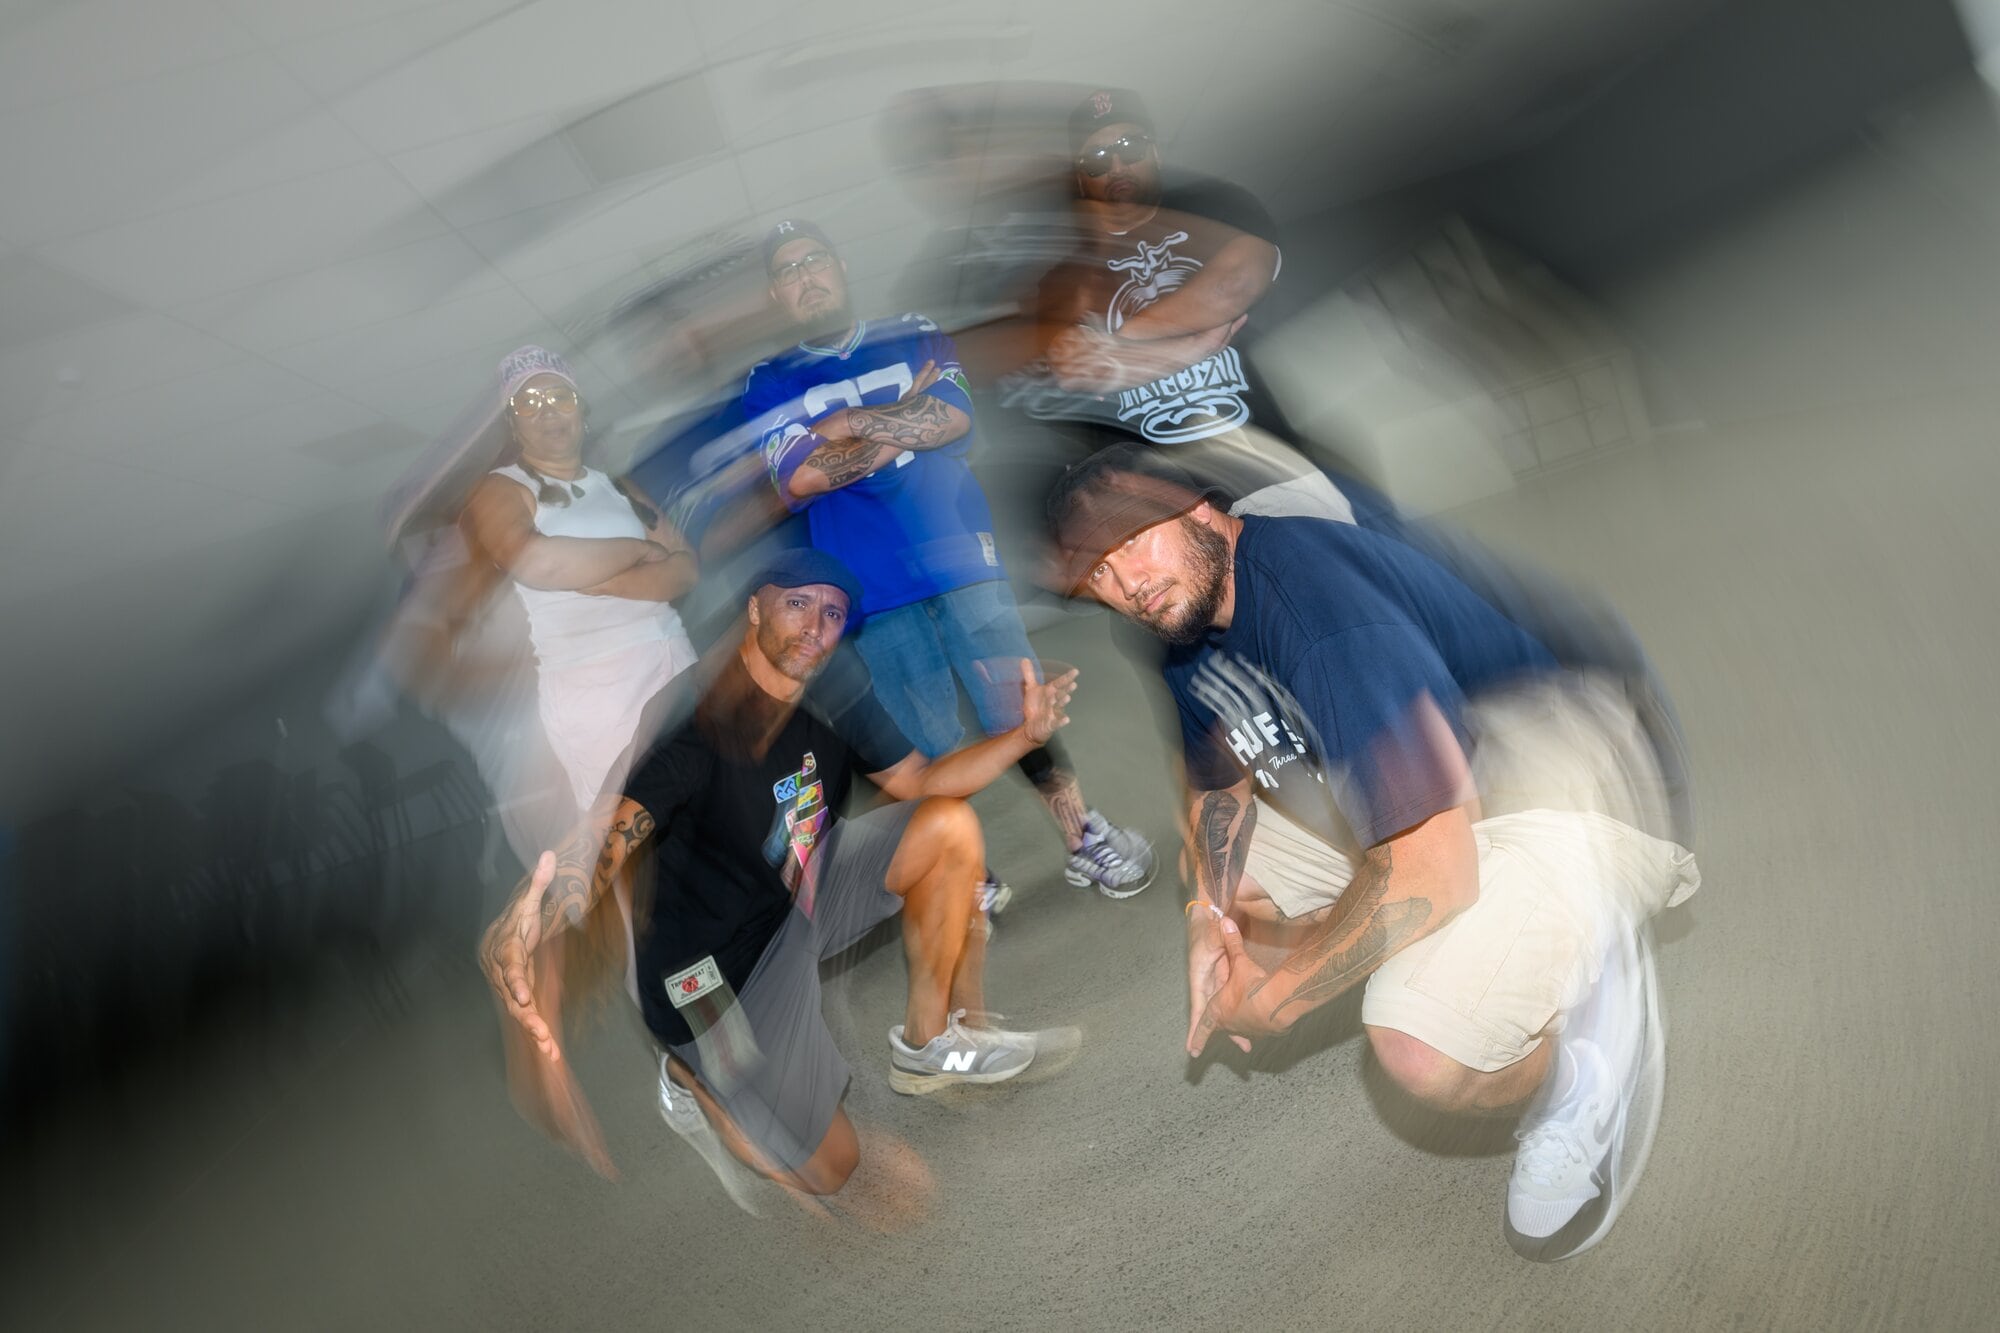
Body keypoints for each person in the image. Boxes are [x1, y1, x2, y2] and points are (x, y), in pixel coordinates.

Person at [1046, 448, 1700, 1261]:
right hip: (1437, 782)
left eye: (1134, 542)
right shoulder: (1185, 616)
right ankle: (1493, 951)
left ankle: (1581, 1036)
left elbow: (1435, 867)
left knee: (1418, 1050)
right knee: (1246, 891)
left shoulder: (1313, 602)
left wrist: (1275, 1000)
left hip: (1573, 765)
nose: (1127, 584)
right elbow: (1217, 788)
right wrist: (1206, 919)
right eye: (1098, 573)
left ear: (1200, 509)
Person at [479, 550, 1079, 1206]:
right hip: (712, 971)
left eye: (832, 613)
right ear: (756, 607)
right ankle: (692, 1078)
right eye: (798, 602)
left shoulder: (834, 693)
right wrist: (545, 901)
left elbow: (919, 782)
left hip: (800, 890)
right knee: (836, 1172)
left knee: (948, 827)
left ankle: (931, 1042)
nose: (815, 626)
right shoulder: (698, 715)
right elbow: (611, 827)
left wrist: (1026, 735)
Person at [742, 219, 1155, 900]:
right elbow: (802, 479)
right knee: (924, 745)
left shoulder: (911, 330)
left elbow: (954, 419)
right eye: (787, 271)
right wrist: (903, 411)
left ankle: (1084, 837)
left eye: (814, 259)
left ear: (840, 265)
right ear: (774, 295)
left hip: (962, 559)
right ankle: (969, 872)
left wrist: (840, 428)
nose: (805, 277)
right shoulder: (767, 382)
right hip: (869, 590)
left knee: (1021, 710)